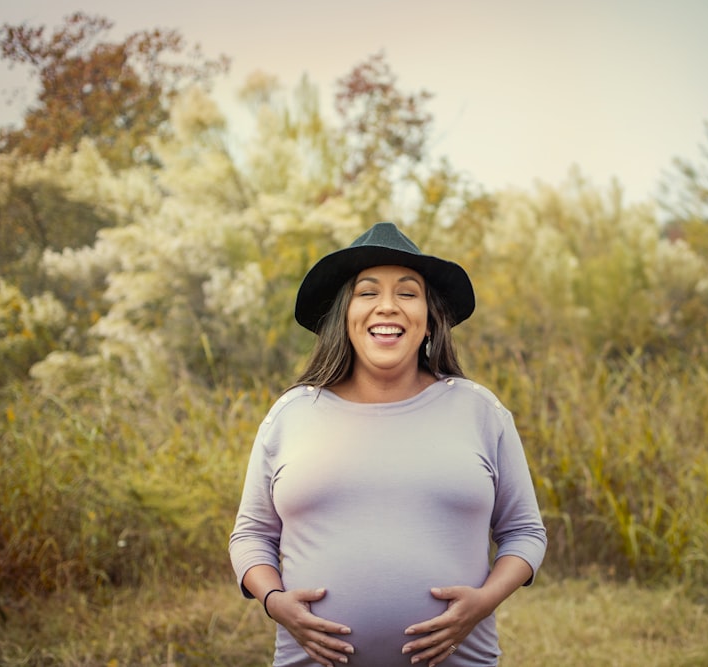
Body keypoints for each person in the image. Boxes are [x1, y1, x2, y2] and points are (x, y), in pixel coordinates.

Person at [229, 222, 547, 667]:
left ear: (431, 318)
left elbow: (525, 533)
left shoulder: (479, 411)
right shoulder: (292, 414)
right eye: (368, 292)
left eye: (407, 293)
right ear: (344, 314)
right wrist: (274, 601)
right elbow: (251, 536)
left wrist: (484, 601)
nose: (387, 307)